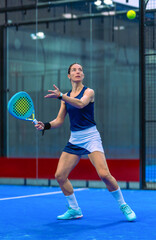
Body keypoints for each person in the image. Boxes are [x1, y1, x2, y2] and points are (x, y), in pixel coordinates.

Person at [35, 63, 136, 221]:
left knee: (104, 174)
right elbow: (59, 120)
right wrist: (46, 125)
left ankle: (123, 205)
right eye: (74, 70)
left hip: (91, 137)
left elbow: (81, 104)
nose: (78, 72)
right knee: (60, 176)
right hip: (75, 139)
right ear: (69, 75)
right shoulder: (66, 97)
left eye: (80, 70)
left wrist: (62, 96)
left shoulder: (89, 92)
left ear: (83, 75)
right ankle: (74, 209)